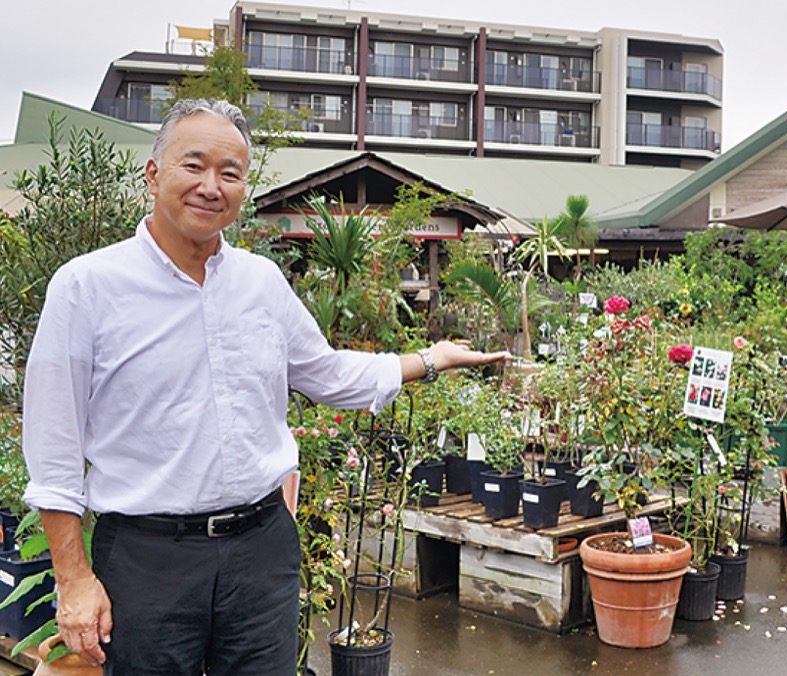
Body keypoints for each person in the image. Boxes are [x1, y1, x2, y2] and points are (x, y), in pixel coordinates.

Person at [21, 98, 510, 675]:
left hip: (261, 551)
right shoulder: (88, 286)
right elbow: (53, 446)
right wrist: (74, 580)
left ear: (243, 189)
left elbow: (324, 372)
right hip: (148, 558)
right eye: (194, 165)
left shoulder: (262, 282)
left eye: (230, 173)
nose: (211, 186)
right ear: (153, 174)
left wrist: (429, 358)